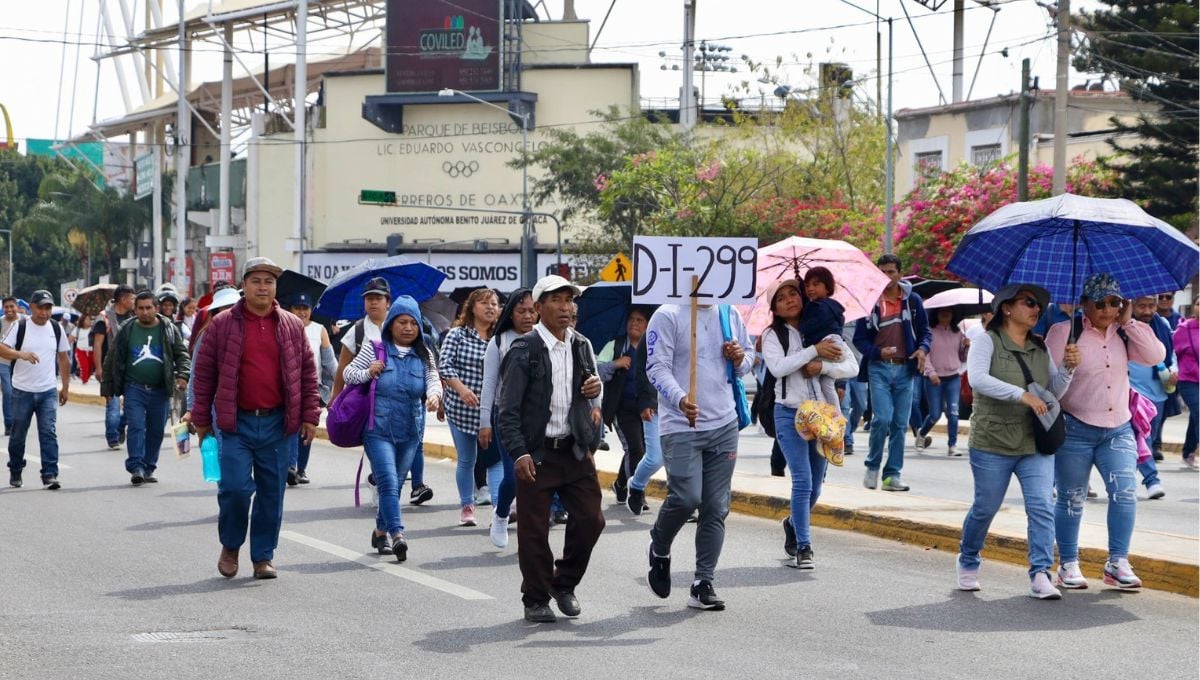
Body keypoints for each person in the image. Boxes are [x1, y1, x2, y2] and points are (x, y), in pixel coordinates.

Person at [191, 258, 320, 580]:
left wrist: (310, 416)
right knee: (233, 488)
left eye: (269, 281)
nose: (263, 287)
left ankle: (263, 556)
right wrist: (201, 418)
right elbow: (204, 374)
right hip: (235, 423)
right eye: (257, 281)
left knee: (271, 492)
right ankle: (231, 545)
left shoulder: (291, 324)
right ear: (243, 285)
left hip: (278, 424)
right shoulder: (222, 325)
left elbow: (306, 373)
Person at [956, 284, 1078, 599]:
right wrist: (1019, 394)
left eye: (1038, 304)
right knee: (985, 508)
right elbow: (978, 379)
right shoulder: (986, 341)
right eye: (1028, 302)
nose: (1036, 308)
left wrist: (1068, 369)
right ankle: (968, 559)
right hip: (992, 440)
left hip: (1033, 442)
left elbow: (1052, 392)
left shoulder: (1040, 347)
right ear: (1007, 308)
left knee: (1041, 506)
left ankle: (1040, 573)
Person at [496, 275, 604, 623]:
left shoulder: (582, 345)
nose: (566, 307)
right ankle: (536, 598)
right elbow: (507, 409)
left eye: (570, 300)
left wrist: (594, 391)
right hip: (537, 454)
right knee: (534, 530)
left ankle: (564, 583)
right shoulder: (524, 350)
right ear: (539, 308)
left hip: (574, 450)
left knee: (592, 520)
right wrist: (519, 453)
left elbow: (589, 396)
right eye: (557, 300)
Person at [1046, 273, 1165, 590]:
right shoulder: (1063, 332)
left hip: (1118, 429)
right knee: (1072, 498)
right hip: (1075, 428)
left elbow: (1156, 356)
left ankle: (1117, 562)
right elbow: (1049, 389)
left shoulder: (1123, 333)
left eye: (1115, 302)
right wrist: (1068, 367)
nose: (1108, 310)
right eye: (1100, 303)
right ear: (1084, 303)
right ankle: (1068, 564)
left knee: (1126, 493)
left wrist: (1129, 322)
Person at [644, 296, 753, 611]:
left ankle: (703, 582)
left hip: (724, 424)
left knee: (716, 507)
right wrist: (679, 399)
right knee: (687, 498)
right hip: (680, 425)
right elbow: (656, 368)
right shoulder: (668, 315)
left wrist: (738, 358)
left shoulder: (728, 312)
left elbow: (748, 359)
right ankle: (660, 546)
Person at [763, 279, 857, 569]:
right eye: (782, 298)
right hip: (788, 414)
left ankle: (793, 523)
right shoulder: (772, 335)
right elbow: (778, 368)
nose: (790, 300)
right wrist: (812, 350)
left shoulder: (820, 328)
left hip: (824, 416)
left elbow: (851, 367)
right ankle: (804, 546)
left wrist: (823, 364)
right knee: (802, 481)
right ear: (775, 309)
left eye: (794, 293)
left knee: (816, 487)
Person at [343, 295, 442, 561]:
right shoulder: (374, 348)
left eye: (413, 323)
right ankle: (398, 534)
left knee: (396, 485)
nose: (408, 328)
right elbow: (347, 374)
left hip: (410, 431)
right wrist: (368, 372)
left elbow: (434, 380)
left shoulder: (424, 353)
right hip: (378, 431)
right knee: (387, 481)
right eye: (402, 322)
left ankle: (379, 531)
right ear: (391, 324)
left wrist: (434, 395)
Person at [334, 277, 434, 505]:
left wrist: (435, 395)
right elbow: (344, 368)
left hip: (411, 400)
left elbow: (431, 369)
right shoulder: (358, 330)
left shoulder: (408, 326)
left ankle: (414, 486)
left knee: (414, 442)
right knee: (382, 455)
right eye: (369, 298)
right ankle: (383, 488)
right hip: (373, 405)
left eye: (378, 298)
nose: (373, 303)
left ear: (388, 302)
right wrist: (336, 397)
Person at [853, 254, 931, 492]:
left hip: (905, 369)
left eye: (891, 271)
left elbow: (925, 331)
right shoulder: (870, 302)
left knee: (900, 424)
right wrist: (877, 353)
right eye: (883, 271)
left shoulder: (913, 301)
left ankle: (892, 475)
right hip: (879, 368)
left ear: (900, 273)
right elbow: (859, 339)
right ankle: (872, 466)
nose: (887, 276)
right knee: (882, 419)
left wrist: (922, 349)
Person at [100, 291, 190, 485]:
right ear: (135, 309)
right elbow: (112, 358)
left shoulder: (168, 329)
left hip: (160, 389)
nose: (145, 312)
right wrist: (107, 387)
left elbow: (182, 355)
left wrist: (183, 375)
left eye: (149, 308)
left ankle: (149, 467)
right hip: (134, 388)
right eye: (140, 308)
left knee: (156, 430)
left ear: (156, 309)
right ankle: (136, 467)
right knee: (136, 426)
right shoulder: (127, 329)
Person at [478, 287, 537, 548]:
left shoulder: (543, 338)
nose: (527, 315)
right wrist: (484, 424)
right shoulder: (499, 342)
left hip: (537, 418)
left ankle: (530, 533)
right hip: (506, 417)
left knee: (537, 479)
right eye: (521, 310)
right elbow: (489, 384)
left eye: (532, 310)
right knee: (514, 476)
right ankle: (501, 514)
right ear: (510, 313)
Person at [439, 287, 502, 527]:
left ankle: (499, 508)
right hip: (461, 410)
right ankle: (467, 505)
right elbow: (445, 366)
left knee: (495, 460)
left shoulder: (501, 337)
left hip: (493, 411)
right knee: (467, 460)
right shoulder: (457, 335)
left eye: (494, 304)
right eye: (485, 303)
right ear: (472, 307)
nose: (490, 308)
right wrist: (462, 389)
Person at [1, 290, 70, 489]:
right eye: (41, 307)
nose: (44, 312)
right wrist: (20, 354)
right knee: (18, 434)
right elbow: (2, 348)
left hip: (47, 390)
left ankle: (49, 473)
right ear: (31, 307)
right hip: (22, 390)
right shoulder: (20, 326)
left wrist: (65, 387)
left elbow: (63, 358)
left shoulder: (56, 328)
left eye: (48, 308)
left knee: (48, 432)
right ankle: (15, 468)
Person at [599, 307, 656, 510]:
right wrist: (616, 363)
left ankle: (621, 483)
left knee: (642, 450)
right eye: (631, 319)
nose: (634, 323)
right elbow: (596, 371)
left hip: (647, 408)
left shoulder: (654, 347)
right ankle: (637, 493)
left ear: (648, 324)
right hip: (622, 409)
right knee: (636, 449)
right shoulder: (616, 345)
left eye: (640, 320)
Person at [285, 293, 336, 486]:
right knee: (292, 426)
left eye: (305, 308)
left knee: (307, 427)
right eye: (297, 308)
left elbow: (330, 363)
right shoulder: (283, 327)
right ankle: (290, 466)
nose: (301, 312)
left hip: (312, 388)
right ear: (290, 310)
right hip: (288, 388)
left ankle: (301, 469)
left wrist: (340, 387)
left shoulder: (319, 330)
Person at [1128, 295, 1174, 497]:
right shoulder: (1125, 327)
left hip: (1159, 392)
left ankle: (1125, 476)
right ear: (1132, 306)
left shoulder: (1162, 324)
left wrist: (1174, 370)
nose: (1147, 311)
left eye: (1151, 306)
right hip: (1134, 392)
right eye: (1142, 306)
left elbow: (1171, 355)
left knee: (1148, 437)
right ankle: (1152, 480)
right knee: (1141, 437)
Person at [919, 307, 968, 456]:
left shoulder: (958, 333)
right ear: (936, 314)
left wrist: (966, 347)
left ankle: (952, 445)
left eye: (949, 312)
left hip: (953, 377)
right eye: (942, 312)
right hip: (933, 379)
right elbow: (925, 355)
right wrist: (931, 373)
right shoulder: (929, 332)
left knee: (953, 412)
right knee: (935, 414)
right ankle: (922, 434)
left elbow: (962, 358)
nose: (946, 314)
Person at [94, 284, 136, 449]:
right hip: (110, 368)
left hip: (131, 367)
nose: (134, 301)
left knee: (132, 403)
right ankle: (112, 437)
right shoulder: (104, 317)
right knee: (113, 403)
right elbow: (97, 344)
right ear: (123, 299)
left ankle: (120, 426)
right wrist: (98, 368)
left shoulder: (134, 316)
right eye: (132, 298)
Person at [1173, 308, 1198, 469]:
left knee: (1196, 416)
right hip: (1188, 380)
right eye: (1198, 303)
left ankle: (1188, 452)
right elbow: (1172, 353)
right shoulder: (1184, 329)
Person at [1, 296, 26, 435]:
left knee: (21, 394)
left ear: (17, 307)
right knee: (8, 392)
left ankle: (20, 422)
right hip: (3, 363)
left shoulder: (25, 321)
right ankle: (9, 424)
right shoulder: (0, 323)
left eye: (12, 306)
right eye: (6, 307)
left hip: (21, 363)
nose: (9, 310)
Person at [73, 315, 94, 384]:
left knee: (90, 368)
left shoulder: (93, 329)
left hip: (91, 352)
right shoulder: (77, 329)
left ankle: (86, 379)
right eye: (87, 319)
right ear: (83, 321)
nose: (89, 321)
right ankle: (84, 381)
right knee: (84, 367)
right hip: (80, 351)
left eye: (90, 319)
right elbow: (69, 340)